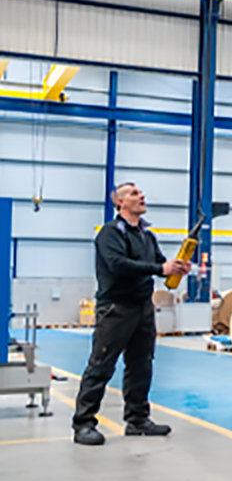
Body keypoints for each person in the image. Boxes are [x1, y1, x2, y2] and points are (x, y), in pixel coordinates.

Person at [72, 182, 191, 446]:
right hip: (116, 308)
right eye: (134, 194)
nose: (142, 196)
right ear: (120, 202)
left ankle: (137, 420)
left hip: (143, 308)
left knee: (141, 364)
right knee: (101, 366)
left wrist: (177, 267)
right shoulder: (110, 233)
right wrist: (161, 268)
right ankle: (83, 424)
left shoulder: (146, 236)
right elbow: (117, 265)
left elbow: (157, 263)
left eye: (141, 192)